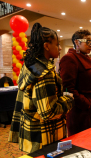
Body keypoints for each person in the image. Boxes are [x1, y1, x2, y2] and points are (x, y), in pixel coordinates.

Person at [8, 23, 74, 153]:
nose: (60, 48)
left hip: (31, 131)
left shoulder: (29, 65)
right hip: (45, 135)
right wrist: (68, 99)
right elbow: (48, 112)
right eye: (57, 44)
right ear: (47, 46)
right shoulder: (44, 72)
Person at [60, 29, 91, 137]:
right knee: (82, 143)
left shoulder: (85, 57)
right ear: (76, 42)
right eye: (87, 41)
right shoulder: (69, 58)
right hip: (81, 111)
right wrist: (86, 103)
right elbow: (67, 88)